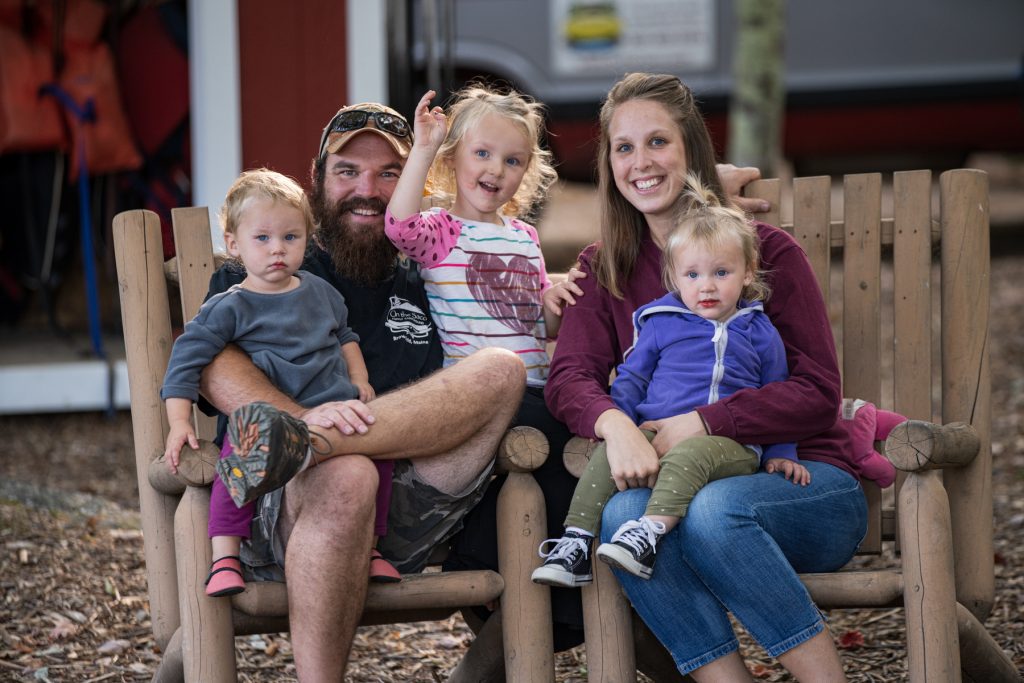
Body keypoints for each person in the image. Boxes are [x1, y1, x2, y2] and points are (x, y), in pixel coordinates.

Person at [545, 72, 869, 680]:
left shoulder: (763, 253)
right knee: (619, 518)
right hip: (680, 489)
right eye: (624, 147)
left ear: (692, 150)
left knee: (715, 509)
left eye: (658, 142)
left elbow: (819, 393)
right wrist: (615, 426)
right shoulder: (605, 266)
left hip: (803, 486)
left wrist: (702, 421)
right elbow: (570, 378)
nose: (640, 162)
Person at [197, 102, 527, 680]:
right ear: (319, 177)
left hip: (415, 501)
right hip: (280, 501)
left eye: (389, 173)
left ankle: (318, 441)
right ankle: (316, 446)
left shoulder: (434, 264)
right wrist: (299, 424)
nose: (366, 189)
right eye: (348, 171)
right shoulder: (272, 260)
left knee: (500, 369)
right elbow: (210, 365)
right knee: (349, 474)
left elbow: (512, 275)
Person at [532, 174, 807, 588]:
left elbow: (779, 393)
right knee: (607, 458)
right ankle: (575, 543)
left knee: (688, 455)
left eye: (721, 272)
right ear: (675, 278)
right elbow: (631, 378)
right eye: (692, 275)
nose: (707, 285)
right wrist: (620, 426)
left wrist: (782, 450)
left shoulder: (759, 330)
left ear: (748, 273)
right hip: (656, 433)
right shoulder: (660, 323)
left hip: (729, 447)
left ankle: (648, 533)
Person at [160, 169, 400, 597]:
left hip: (335, 410)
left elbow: (346, 338)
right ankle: (225, 558)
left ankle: (371, 549)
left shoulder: (321, 292)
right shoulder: (230, 306)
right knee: (237, 455)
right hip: (270, 420)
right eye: (263, 238)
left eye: (291, 237)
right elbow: (186, 359)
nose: (278, 250)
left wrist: (360, 380)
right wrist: (179, 422)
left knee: (380, 453)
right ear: (234, 245)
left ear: (307, 239)